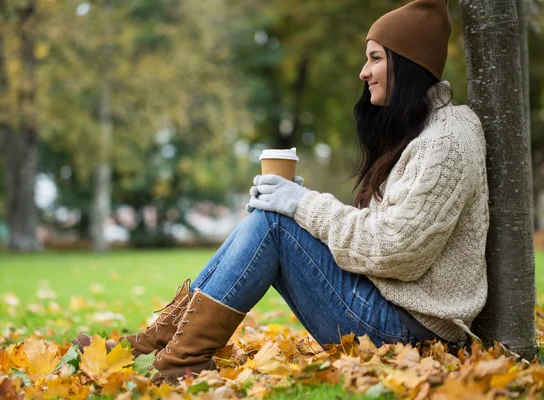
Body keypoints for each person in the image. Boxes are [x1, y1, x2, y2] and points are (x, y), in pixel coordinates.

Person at [75, 0, 489, 383]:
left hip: (411, 337)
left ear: (408, 64)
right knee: (272, 217)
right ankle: (158, 344)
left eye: (375, 58)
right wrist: (298, 207)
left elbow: (397, 250)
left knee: (275, 221)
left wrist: (302, 205)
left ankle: (178, 361)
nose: (363, 72)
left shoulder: (446, 141)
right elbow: (388, 232)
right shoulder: (427, 133)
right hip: (392, 315)